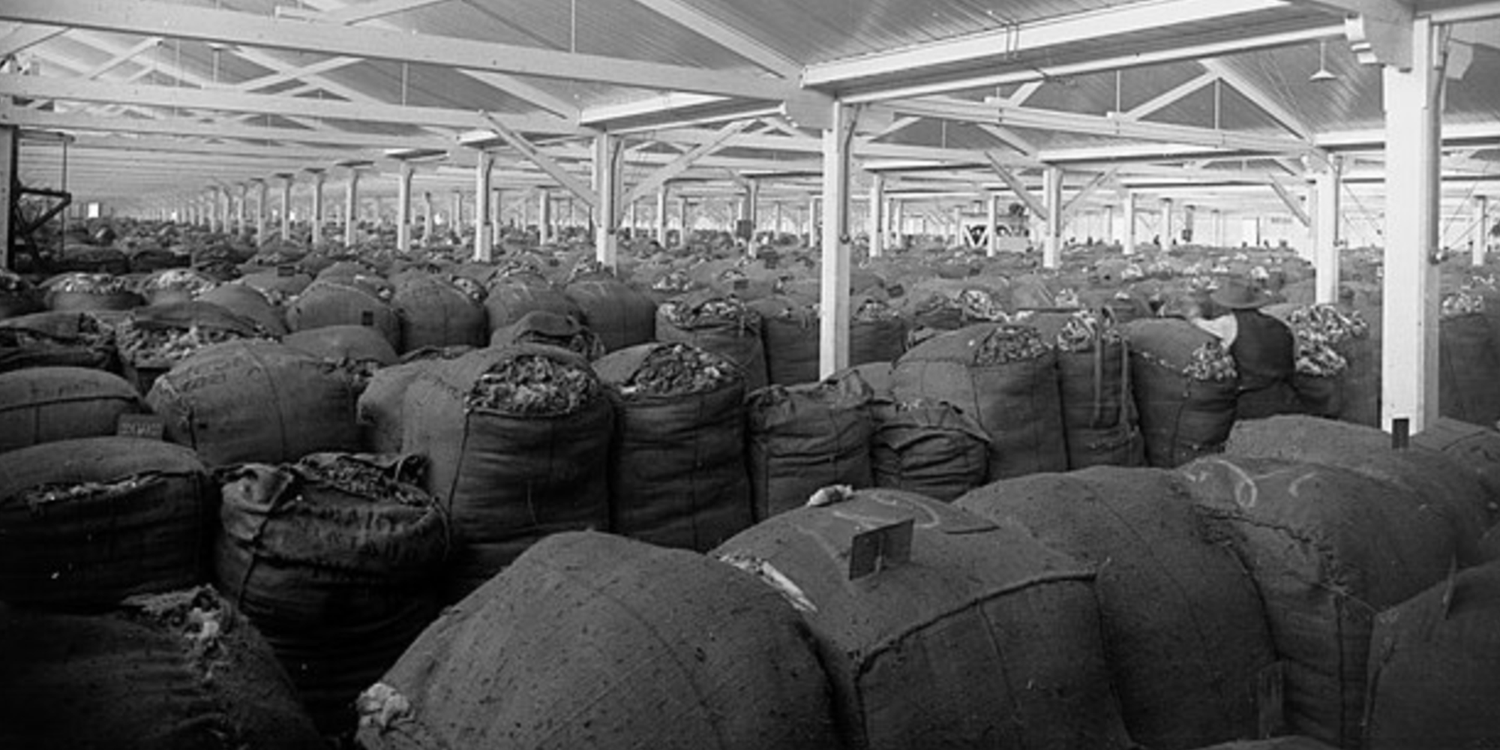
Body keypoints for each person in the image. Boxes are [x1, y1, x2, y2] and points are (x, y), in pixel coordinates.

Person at [1208, 277, 1300, 420]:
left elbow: (1197, 325)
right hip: (1286, 396)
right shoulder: (1280, 325)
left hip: (1248, 401)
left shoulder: (1228, 324)